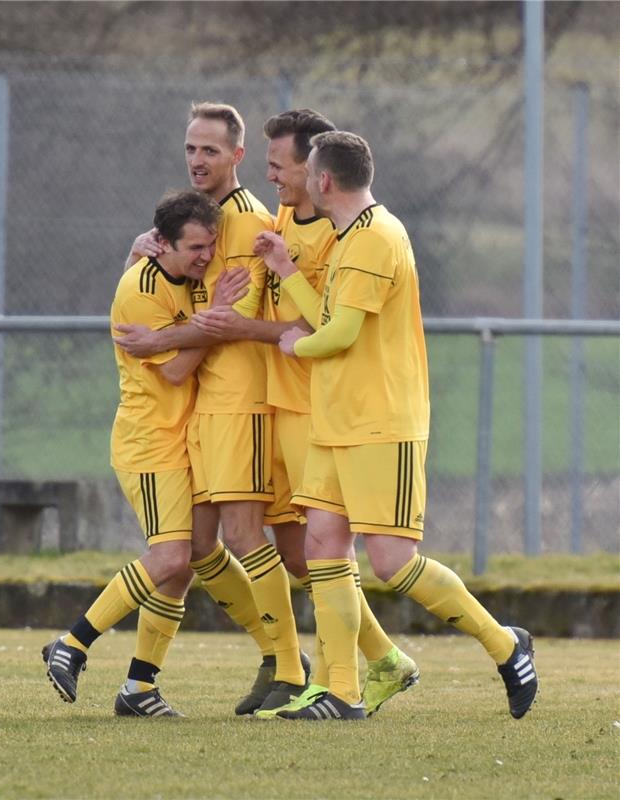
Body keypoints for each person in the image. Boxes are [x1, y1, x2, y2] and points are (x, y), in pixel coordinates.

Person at [253, 131, 537, 720]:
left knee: (392, 562)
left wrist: (294, 346)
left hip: (382, 423)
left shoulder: (376, 238)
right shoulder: (347, 235)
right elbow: (328, 316)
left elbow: (339, 334)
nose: (298, 181)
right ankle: (344, 693)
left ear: (324, 181)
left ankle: (505, 645)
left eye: (305, 172)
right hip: (337, 421)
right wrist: (284, 269)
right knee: (324, 545)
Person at [192, 109, 418, 718]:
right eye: (191, 147)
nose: (272, 177)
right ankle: (360, 666)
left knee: (308, 548)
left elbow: (318, 325)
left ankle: (299, 670)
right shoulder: (279, 219)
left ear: (316, 171)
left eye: (277, 165)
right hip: (277, 404)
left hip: (309, 408)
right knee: (304, 549)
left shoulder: (347, 234)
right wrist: (151, 249)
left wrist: (253, 329)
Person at [116, 102, 307, 715]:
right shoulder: (198, 222)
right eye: (191, 149)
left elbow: (225, 322)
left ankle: (297, 665)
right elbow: (173, 302)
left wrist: (160, 342)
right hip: (201, 402)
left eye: (211, 151)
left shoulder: (246, 223)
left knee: (260, 538)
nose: (198, 160)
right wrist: (138, 257)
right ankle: (150, 684)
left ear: (237, 156)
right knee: (199, 547)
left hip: (239, 398)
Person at [43, 189, 244, 717]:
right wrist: (219, 319)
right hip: (150, 443)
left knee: (181, 572)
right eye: (196, 247)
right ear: (163, 245)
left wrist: (209, 315)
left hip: (184, 439)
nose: (206, 256)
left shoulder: (184, 277)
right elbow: (176, 370)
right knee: (171, 558)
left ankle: (138, 689)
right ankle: (72, 643)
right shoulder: (141, 288)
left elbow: (190, 333)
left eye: (210, 245)